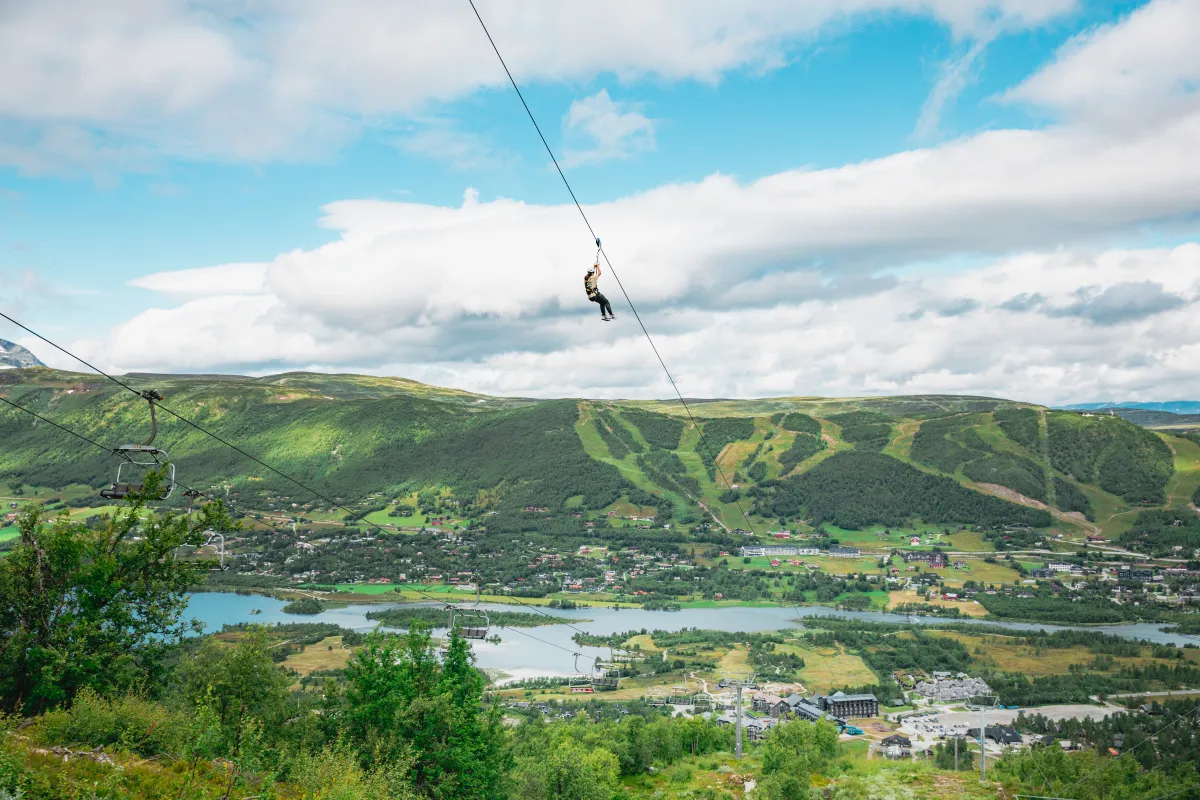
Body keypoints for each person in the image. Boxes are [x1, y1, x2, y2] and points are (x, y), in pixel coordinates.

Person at [584, 256, 615, 321]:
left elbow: (591, 272)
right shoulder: (593, 277)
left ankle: (603, 316)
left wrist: (594, 266)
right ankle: (611, 315)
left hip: (590, 296)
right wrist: (598, 266)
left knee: (602, 303)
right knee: (606, 302)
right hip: (595, 294)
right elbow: (599, 273)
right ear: (592, 272)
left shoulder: (586, 278)